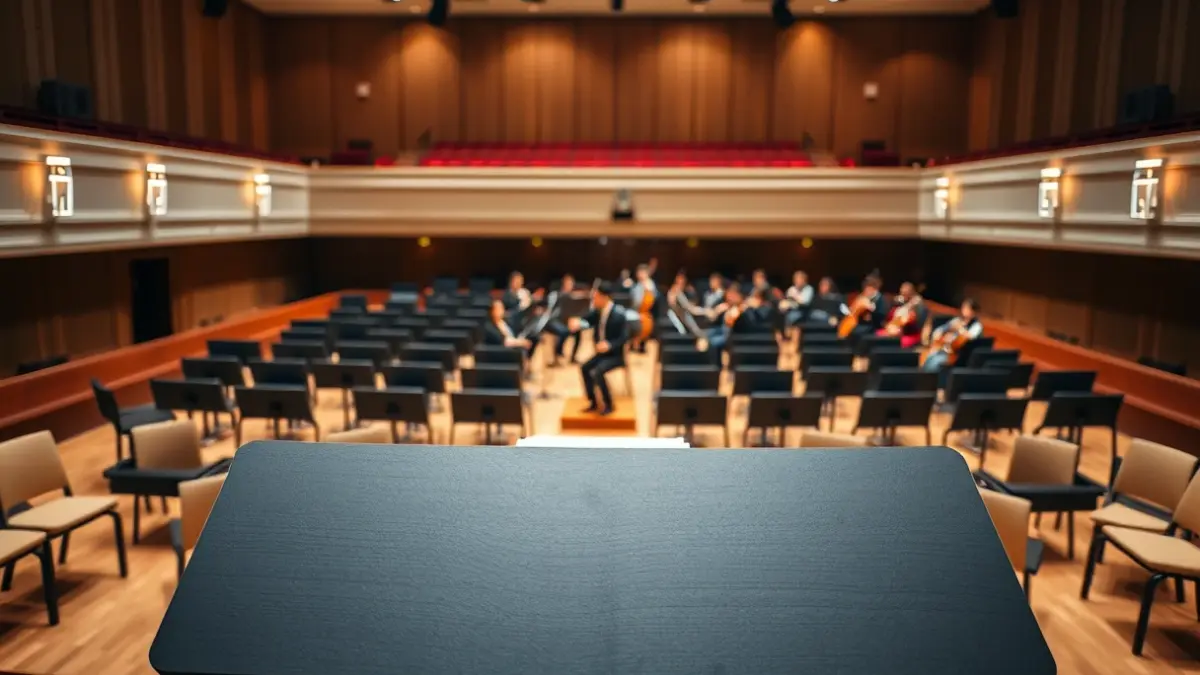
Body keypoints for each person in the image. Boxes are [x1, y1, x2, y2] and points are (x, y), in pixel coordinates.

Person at [568, 282, 628, 415]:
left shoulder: (619, 314)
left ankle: (609, 404)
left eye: (595, 297)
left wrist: (609, 345)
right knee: (584, 368)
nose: (593, 300)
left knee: (597, 371)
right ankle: (594, 401)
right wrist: (577, 321)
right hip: (601, 355)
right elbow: (586, 319)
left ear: (604, 297)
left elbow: (624, 338)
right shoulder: (598, 312)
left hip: (615, 356)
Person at [921, 298, 983, 372]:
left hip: (961, 354)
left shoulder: (977, 326)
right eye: (963, 307)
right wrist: (941, 336)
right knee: (929, 357)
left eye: (967, 308)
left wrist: (960, 329)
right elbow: (939, 331)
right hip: (947, 349)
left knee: (936, 362)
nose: (964, 310)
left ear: (974, 312)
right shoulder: (957, 320)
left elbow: (970, 337)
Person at [546, 274, 583, 365]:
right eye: (568, 283)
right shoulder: (556, 295)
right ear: (563, 284)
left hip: (568, 321)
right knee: (564, 331)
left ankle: (573, 357)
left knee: (578, 331)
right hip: (555, 321)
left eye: (571, 284)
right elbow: (551, 311)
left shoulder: (573, 297)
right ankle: (558, 351)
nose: (569, 286)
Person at [879, 282, 926, 349]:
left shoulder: (917, 305)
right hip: (896, 328)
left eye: (906, 293)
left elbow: (912, 322)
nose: (903, 296)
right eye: (902, 293)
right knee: (878, 336)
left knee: (888, 338)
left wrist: (898, 328)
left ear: (911, 293)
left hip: (909, 331)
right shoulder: (899, 302)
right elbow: (890, 318)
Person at [629, 264, 657, 353]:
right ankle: (633, 343)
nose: (639, 275)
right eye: (638, 273)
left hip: (645, 312)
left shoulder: (650, 285)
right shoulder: (637, 285)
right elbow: (634, 300)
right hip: (635, 310)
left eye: (641, 273)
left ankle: (640, 343)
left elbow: (652, 299)